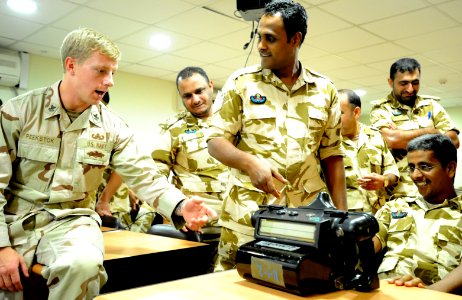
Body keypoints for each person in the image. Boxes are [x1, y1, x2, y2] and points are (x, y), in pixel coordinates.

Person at [0, 28, 216, 299]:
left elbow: (143, 174)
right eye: (101, 71)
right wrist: (1, 248)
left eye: (113, 72)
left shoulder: (113, 126)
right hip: (13, 220)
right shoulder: (19, 112)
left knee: (83, 266)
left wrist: (181, 205)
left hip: (72, 220)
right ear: (71, 66)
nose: (110, 81)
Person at [207, 0, 347, 271]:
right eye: (259, 36)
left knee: (296, 283)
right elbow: (215, 142)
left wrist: (341, 216)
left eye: (270, 38)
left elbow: (332, 155)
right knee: (231, 287)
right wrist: (250, 163)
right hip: (248, 217)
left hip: (305, 221)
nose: (261, 45)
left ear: (295, 39)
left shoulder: (324, 90)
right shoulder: (242, 83)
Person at [151, 66, 229, 266]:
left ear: (211, 86)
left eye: (199, 91)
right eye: (187, 95)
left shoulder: (232, 122)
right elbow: (155, 176)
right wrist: (176, 210)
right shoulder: (174, 129)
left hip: (234, 223)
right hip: (196, 227)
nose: (195, 99)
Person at [373, 134, 462, 294]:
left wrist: (429, 293)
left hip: (437, 295)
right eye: (411, 167)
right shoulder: (395, 207)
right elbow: (368, 243)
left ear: (450, 169)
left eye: (425, 167)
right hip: (383, 292)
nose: (415, 175)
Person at [370, 58, 459, 199]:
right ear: (390, 82)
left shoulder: (431, 105)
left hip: (436, 193)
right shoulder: (381, 110)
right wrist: (431, 131)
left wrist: (402, 136)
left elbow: (453, 141)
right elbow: (391, 139)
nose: (410, 89)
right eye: (403, 83)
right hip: (400, 195)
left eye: (415, 83)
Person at [339, 89, 399, 213]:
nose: (333, 118)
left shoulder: (375, 136)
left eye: (340, 113)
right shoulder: (327, 142)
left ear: (356, 112)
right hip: (345, 218)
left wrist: (384, 180)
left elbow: (392, 171)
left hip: (378, 215)